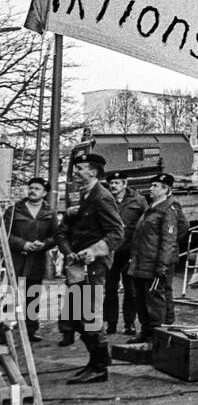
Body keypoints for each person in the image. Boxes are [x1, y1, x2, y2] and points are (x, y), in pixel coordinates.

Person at [55, 153, 124, 384]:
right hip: (79, 266)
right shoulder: (83, 196)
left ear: (93, 171)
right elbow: (68, 229)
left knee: (88, 315)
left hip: (94, 266)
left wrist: (93, 251)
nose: (76, 172)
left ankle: (100, 367)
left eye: (80, 168)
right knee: (76, 316)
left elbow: (117, 232)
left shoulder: (101, 197)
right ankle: (95, 361)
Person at [127, 174, 187, 344]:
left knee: (155, 300)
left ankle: (157, 336)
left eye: (155, 185)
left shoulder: (168, 208)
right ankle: (146, 332)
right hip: (142, 260)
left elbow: (170, 237)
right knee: (140, 298)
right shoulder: (152, 206)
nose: (151, 188)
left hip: (155, 261)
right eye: (152, 185)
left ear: (166, 189)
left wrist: (163, 263)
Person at [3, 177, 58, 342]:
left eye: (37, 189)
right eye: (31, 188)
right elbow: (5, 233)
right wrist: (23, 244)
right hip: (15, 258)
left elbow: (55, 236)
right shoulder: (14, 210)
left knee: (32, 294)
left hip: (36, 259)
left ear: (45, 192)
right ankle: (5, 329)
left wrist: (43, 245)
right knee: (9, 294)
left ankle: (31, 329)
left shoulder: (50, 213)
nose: (32, 191)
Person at [103, 171, 148, 336]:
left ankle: (129, 323)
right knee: (110, 289)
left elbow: (147, 222)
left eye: (116, 183)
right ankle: (111, 323)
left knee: (131, 290)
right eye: (111, 183)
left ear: (124, 184)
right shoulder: (105, 199)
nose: (113, 186)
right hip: (110, 251)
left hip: (130, 250)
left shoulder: (138, 200)